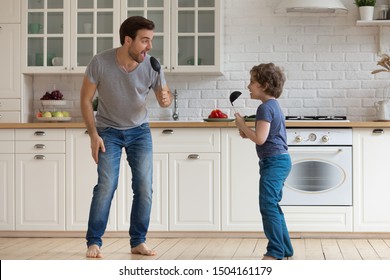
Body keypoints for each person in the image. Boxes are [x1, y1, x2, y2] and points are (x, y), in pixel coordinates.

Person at [80, 16, 172, 258]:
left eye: (151, 40)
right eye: (144, 41)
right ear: (128, 40)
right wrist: (93, 135)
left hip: (139, 132)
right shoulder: (100, 62)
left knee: (144, 187)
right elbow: (85, 100)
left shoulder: (152, 64)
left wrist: (166, 98)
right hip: (108, 131)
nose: (149, 47)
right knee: (106, 185)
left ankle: (138, 241)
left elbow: (165, 94)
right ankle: (94, 241)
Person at [234, 63, 293, 260]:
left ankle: (275, 251)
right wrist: (247, 133)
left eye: (252, 82)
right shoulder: (273, 106)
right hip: (279, 161)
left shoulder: (264, 108)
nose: (248, 86)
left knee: (268, 205)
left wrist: (242, 124)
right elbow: (264, 136)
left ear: (265, 85)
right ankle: (285, 248)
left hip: (274, 162)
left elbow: (260, 139)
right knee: (273, 204)